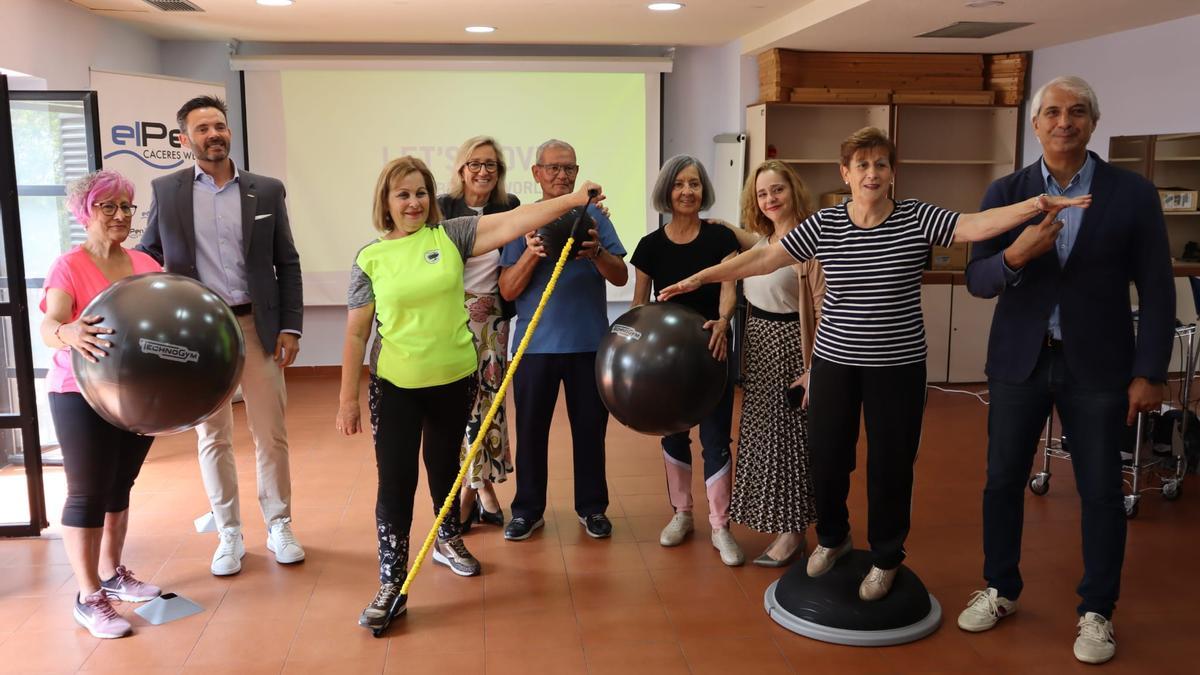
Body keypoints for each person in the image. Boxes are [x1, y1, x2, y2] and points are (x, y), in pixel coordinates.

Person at [659, 126, 1090, 602]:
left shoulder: (915, 218)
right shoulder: (824, 224)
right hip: (834, 362)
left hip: (898, 367)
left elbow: (974, 224)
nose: (871, 172)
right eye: (861, 164)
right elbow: (760, 261)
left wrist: (1037, 205)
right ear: (846, 173)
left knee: (891, 465)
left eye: (880, 164)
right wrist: (696, 278)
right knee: (827, 459)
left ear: (891, 173)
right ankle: (833, 538)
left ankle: (886, 557)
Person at [336, 155, 603, 631]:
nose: (414, 202)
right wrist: (346, 399)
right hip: (395, 386)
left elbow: (516, 220)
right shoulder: (369, 258)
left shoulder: (452, 236)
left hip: (454, 378)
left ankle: (449, 539)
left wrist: (574, 198)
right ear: (387, 202)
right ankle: (390, 580)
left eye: (420, 193)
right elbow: (357, 335)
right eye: (403, 194)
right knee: (395, 485)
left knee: (445, 471)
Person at [958, 76, 1173, 665]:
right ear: (1035, 125)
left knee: (1102, 491)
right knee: (1002, 481)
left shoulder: (1131, 193)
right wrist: (1015, 255)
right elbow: (978, 279)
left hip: (1101, 367)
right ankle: (1000, 589)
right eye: (1051, 112)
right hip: (1017, 364)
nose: (1063, 122)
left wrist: (1150, 370)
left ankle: (1097, 611)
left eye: (1076, 112)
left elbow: (1157, 289)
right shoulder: (1008, 191)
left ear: (1092, 122)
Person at [141, 95, 305, 577]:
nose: (214, 134)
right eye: (202, 128)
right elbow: (149, 254)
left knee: (270, 433)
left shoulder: (266, 190)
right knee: (212, 434)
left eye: (220, 126)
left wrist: (290, 326)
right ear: (184, 139)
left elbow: (287, 261)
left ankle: (279, 523)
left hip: (257, 325)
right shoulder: (166, 190)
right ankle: (228, 530)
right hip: (200, 333)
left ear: (229, 132)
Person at [41, 170, 164, 639]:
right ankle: (88, 594)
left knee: (119, 487)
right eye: (106, 206)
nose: (119, 215)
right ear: (84, 212)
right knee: (88, 492)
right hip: (78, 390)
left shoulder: (145, 264)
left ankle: (114, 575)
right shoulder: (67, 266)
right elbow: (51, 324)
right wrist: (68, 332)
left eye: (126, 207)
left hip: (135, 395)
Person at [499, 139, 629, 542]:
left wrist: (596, 256)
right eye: (553, 168)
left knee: (591, 431)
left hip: (589, 344)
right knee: (532, 432)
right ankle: (527, 511)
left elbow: (621, 275)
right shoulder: (520, 220)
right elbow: (507, 290)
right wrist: (531, 253)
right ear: (536, 173)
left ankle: (592, 508)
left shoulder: (594, 217)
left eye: (569, 169)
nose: (562, 176)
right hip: (534, 346)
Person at [629, 155, 744, 565]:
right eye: (679, 184)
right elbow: (639, 305)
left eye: (694, 184)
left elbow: (729, 288)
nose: (687, 192)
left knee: (715, 439)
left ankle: (720, 525)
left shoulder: (719, 240)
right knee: (674, 435)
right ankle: (682, 514)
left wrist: (723, 321)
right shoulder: (650, 246)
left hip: (711, 351)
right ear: (667, 191)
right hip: (666, 364)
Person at [730, 160, 826, 567]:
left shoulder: (812, 242)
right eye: (762, 193)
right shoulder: (763, 241)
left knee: (792, 445)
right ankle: (784, 524)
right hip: (760, 351)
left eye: (777, 190)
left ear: (794, 191)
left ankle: (794, 533)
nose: (770, 199)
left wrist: (814, 368)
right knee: (768, 442)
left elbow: (826, 311)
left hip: (792, 349)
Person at [436, 136, 519, 531]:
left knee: (491, 404)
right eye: (475, 164)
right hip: (452, 319)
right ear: (461, 169)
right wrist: (465, 304)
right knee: (464, 408)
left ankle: (481, 486)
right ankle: (473, 488)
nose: (483, 172)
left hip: (494, 319)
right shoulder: (442, 209)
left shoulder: (510, 208)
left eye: (491, 165)